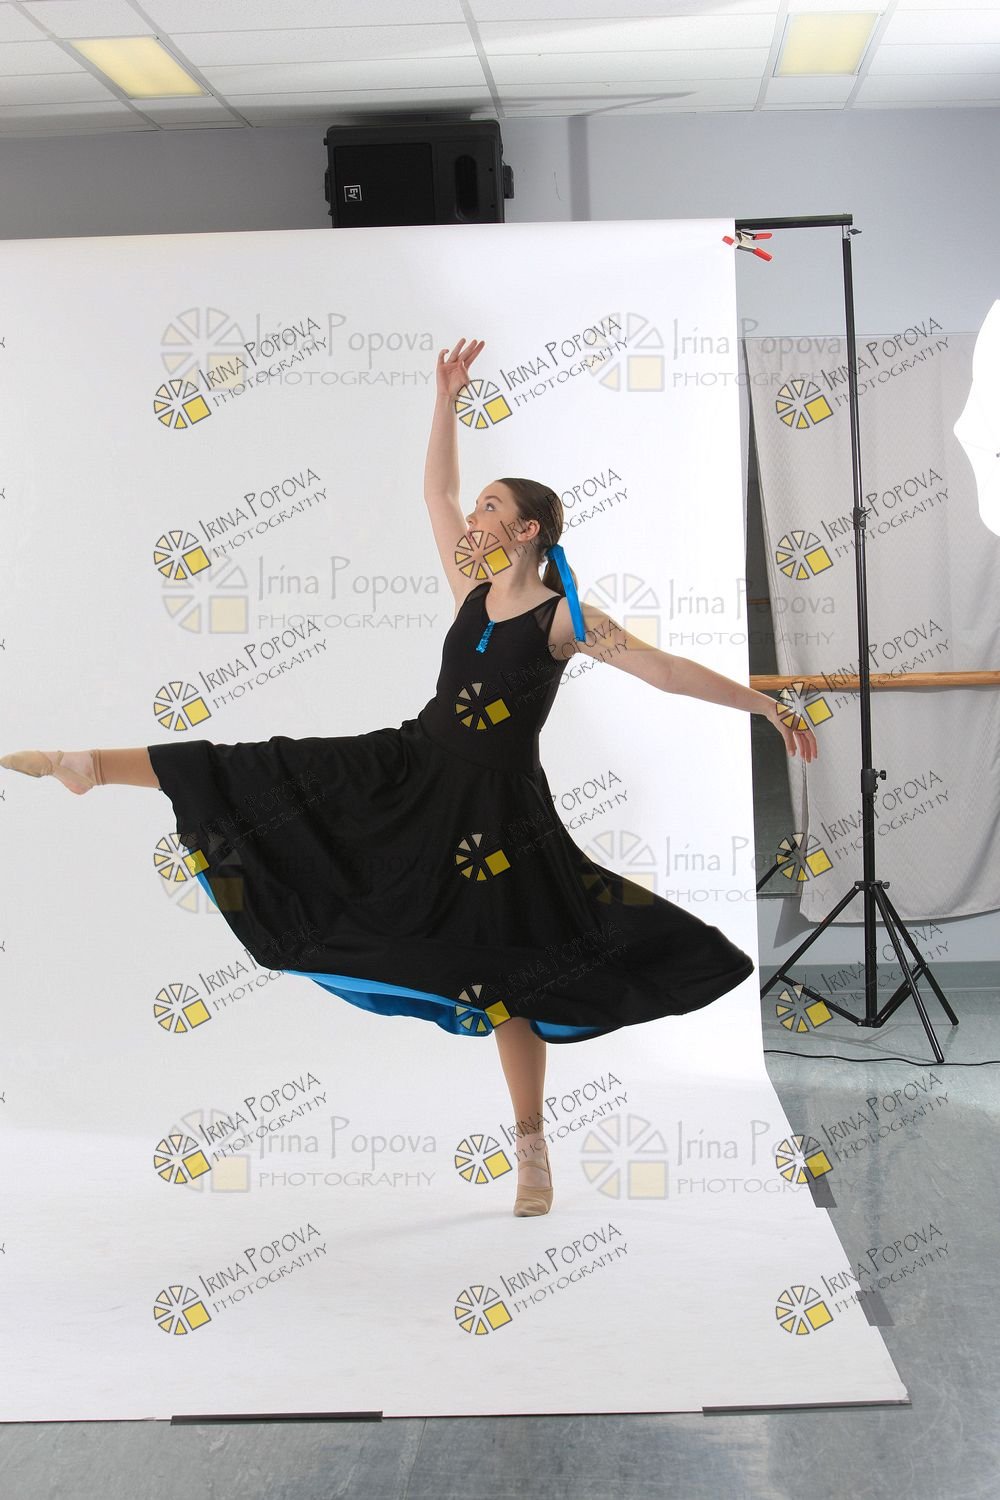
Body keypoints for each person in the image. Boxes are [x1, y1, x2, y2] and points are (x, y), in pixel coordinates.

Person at [1, 336, 818, 1219]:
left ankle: (532, 1152)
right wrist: (445, 400)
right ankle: (89, 766)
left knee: (513, 980)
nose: (474, 516)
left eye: (493, 507)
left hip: (496, 813)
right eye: (480, 505)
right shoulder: (471, 589)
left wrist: (763, 706)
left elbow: (662, 670)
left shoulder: (563, 620)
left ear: (528, 531)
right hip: (411, 765)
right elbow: (435, 493)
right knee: (268, 767)